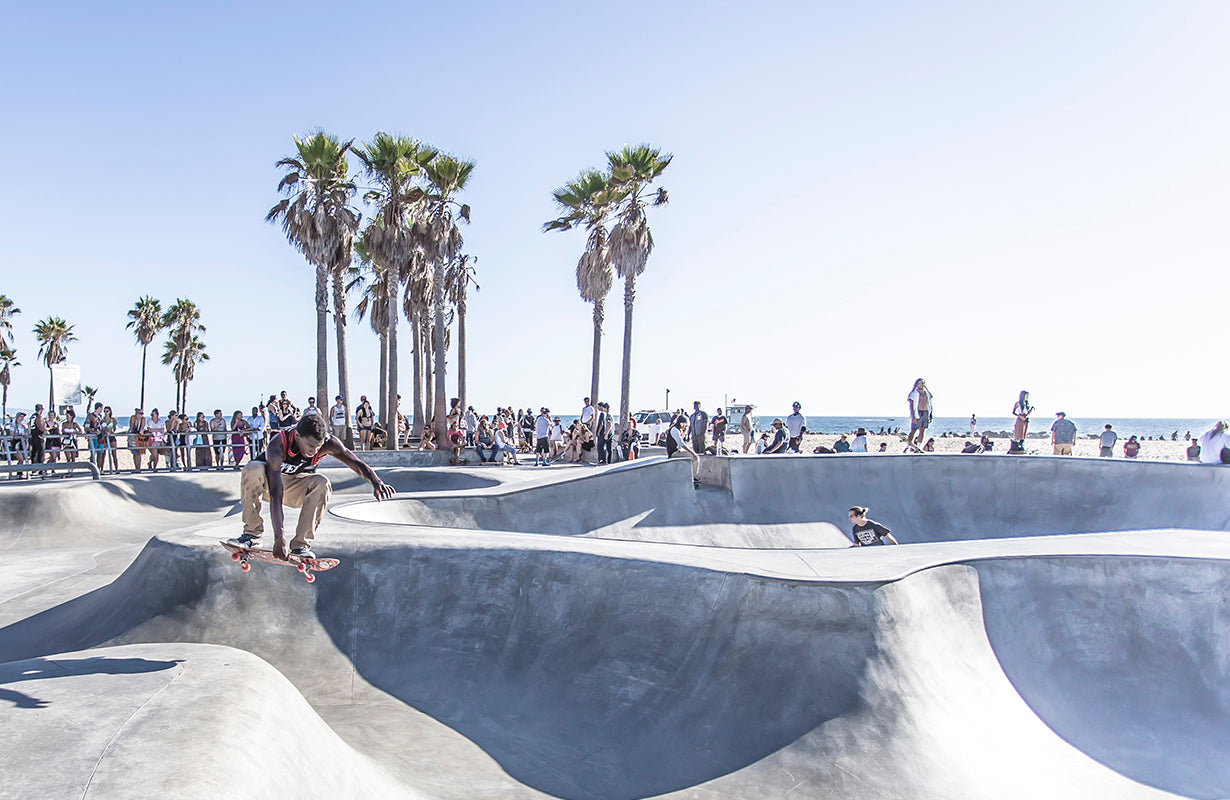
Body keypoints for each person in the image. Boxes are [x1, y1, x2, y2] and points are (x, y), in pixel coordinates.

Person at [228, 414, 393, 560]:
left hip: (295, 485)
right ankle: (252, 534)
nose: (314, 452)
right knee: (253, 468)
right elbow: (276, 493)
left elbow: (355, 462)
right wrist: (279, 537)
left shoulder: (329, 443)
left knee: (322, 483)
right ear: (298, 436)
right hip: (268, 485)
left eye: (318, 447)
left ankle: (301, 545)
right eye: (310, 446)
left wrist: (376, 482)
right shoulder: (277, 445)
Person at [665, 416, 700, 483]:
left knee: (692, 456)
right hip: (674, 453)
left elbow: (683, 441)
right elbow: (681, 444)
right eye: (685, 425)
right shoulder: (674, 430)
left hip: (677, 451)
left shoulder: (677, 429)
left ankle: (691, 475)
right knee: (695, 458)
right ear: (681, 423)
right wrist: (693, 453)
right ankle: (693, 477)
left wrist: (684, 431)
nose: (686, 426)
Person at [906, 380, 932, 448]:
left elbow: (929, 404)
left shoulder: (927, 393)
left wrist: (930, 414)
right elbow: (911, 406)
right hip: (918, 412)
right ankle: (908, 446)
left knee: (922, 430)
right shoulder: (914, 393)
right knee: (914, 430)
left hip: (925, 412)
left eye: (922, 383)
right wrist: (913, 417)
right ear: (916, 384)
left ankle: (919, 446)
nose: (921, 385)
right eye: (919, 383)